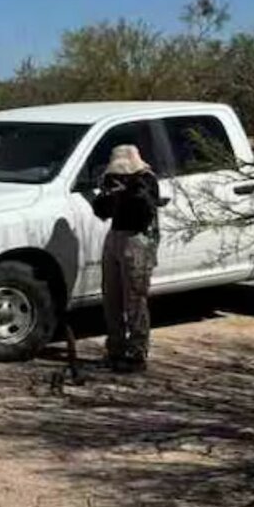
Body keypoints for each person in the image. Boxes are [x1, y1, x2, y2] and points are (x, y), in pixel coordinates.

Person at [88, 144, 166, 373]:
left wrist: (127, 191)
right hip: (115, 236)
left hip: (137, 238)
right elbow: (101, 211)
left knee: (135, 298)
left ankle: (137, 351)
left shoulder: (146, 180)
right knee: (111, 297)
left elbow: (145, 209)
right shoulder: (113, 181)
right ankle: (116, 348)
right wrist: (108, 194)